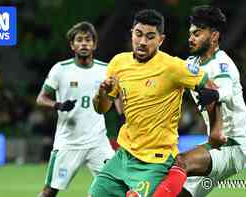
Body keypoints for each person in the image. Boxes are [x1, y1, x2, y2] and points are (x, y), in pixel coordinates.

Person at [89, 9, 217, 197]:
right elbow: (101, 108)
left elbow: (211, 88)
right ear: (132, 32)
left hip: (156, 160)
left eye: (150, 37)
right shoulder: (118, 63)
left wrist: (215, 126)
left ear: (161, 40)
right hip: (124, 155)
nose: (142, 42)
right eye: (138, 34)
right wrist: (101, 94)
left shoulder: (173, 67)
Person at [153, 5, 246, 197]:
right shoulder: (193, 64)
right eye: (190, 33)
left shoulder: (222, 64)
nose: (191, 38)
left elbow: (226, 89)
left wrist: (215, 94)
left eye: (197, 33)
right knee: (180, 192)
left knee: (181, 163)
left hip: (232, 147)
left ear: (214, 36)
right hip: (215, 146)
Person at [36, 21, 115, 197]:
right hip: (69, 142)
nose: (84, 43)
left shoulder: (106, 69)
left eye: (88, 40)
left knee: (115, 185)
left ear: (94, 44)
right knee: (50, 191)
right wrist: (58, 105)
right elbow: (41, 98)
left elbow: (115, 97)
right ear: (72, 45)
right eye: (79, 40)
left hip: (98, 142)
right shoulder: (60, 69)